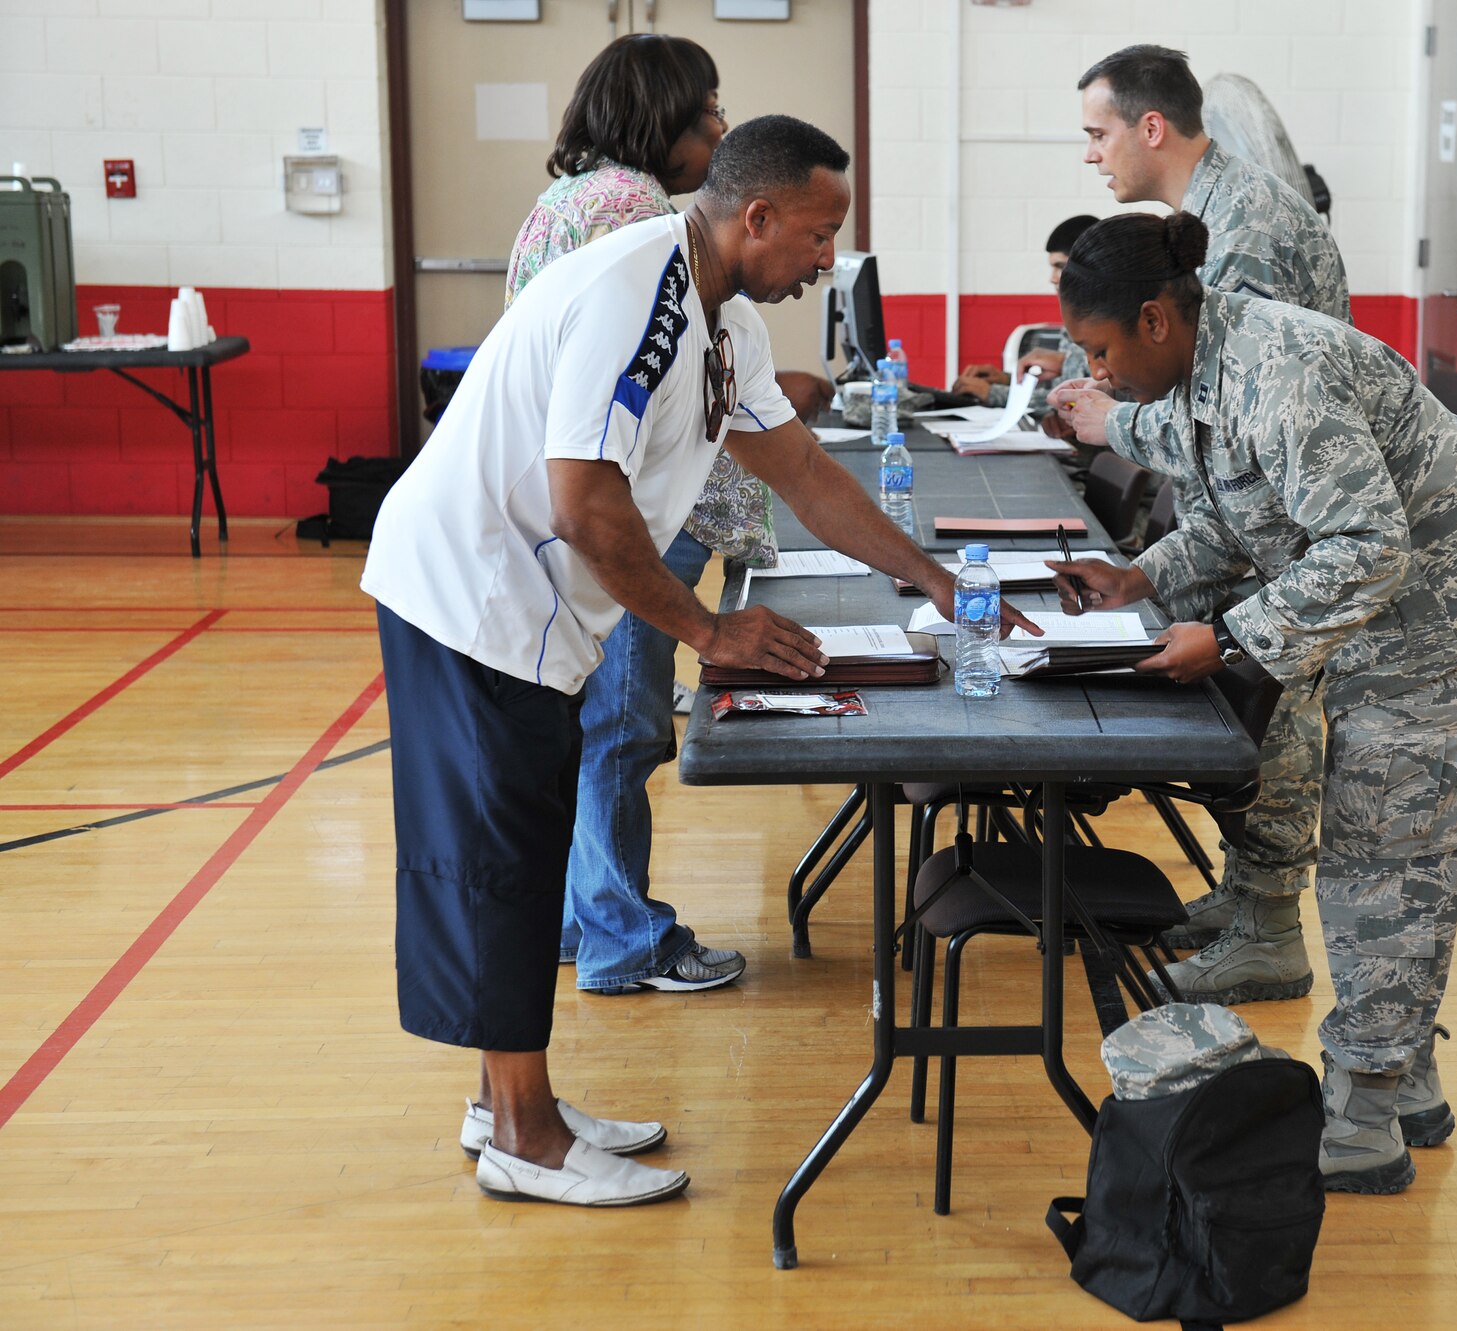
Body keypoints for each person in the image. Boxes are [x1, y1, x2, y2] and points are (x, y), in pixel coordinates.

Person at [363, 115, 1035, 1207]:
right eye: (818, 235)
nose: (828, 260)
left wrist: (931, 576)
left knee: (524, 849)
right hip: (473, 596)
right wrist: (706, 631)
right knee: (502, 859)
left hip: (518, 601)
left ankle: (507, 1104)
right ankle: (524, 1138)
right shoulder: (640, 290)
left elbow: (804, 472)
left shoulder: (723, 319)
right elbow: (585, 499)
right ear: (756, 215)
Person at [1045, 213, 1457, 1194]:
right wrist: (1138, 579)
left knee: (1382, 862)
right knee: (1395, 859)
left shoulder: (1279, 375)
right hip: (1392, 609)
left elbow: (1368, 549)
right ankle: (1403, 1085)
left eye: (1101, 350)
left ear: (1154, 318)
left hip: (1447, 614)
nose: (1097, 376)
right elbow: (1239, 515)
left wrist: (1231, 637)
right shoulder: (1208, 360)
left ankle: (1364, 1121)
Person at [506, 34, 827, 999]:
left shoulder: (562, 201)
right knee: (624, 729)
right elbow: (654, 386)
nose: (721, 132)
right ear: (662, 122)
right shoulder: (637, 214)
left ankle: (583, 917)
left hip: (580, 517)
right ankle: (620, 939)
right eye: (708, 114)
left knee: (598, 725)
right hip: (622, 521)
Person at [1048, 43, 1353, 1016]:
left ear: (1149, 127)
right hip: (1262, 505)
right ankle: (1245, 899)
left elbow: (1247, 412)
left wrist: (1116, 423)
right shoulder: (1204, 218)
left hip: (1303, 515)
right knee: (1247, 702)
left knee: (1275, 708)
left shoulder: (1245, 229)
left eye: (1097, 133)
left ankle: (1268, 932)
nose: (1090, 155)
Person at [952, 213, 1099, 403]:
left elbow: (1074, 400)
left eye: (1061, 266)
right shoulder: (1076, 319)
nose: (1053, 278)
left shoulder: (1106, 321)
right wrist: (1008, 380)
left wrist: (993, 393)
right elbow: (1064, 386)